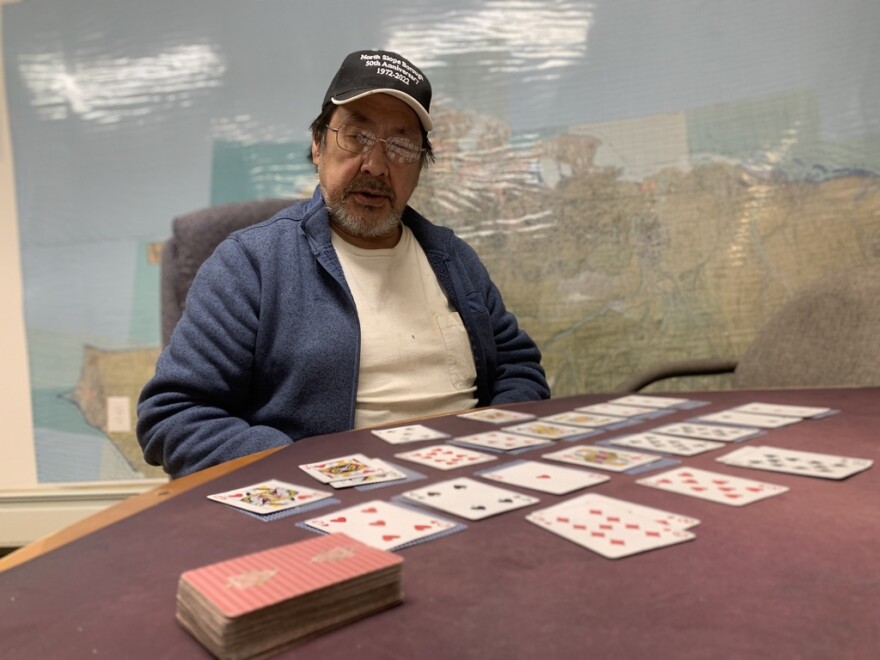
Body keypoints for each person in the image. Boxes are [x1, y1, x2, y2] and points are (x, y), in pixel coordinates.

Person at [137, 49, 550, 478]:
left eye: (402, 145)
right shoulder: (250, 265)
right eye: (356, 136)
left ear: (420, 166)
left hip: (471, 485)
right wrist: (310, 471)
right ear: (317, 146)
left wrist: (494, 443)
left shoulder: (452, 257)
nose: (375, 165)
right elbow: (175, 416)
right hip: (329, 503)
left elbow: (517, 366)